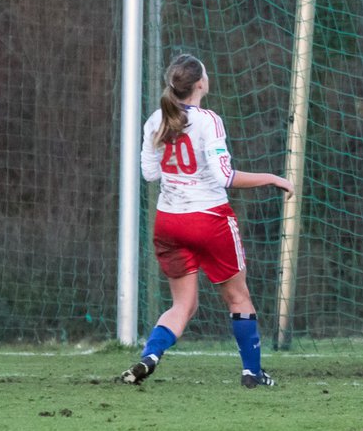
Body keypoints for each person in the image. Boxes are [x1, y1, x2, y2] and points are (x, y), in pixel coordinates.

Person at [120, 53, 293, 388]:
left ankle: (150, 356)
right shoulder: (208, 120)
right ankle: (252, 374)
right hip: (208, 219)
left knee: (183, 304)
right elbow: (225, 176)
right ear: (200, 83)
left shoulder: (156, 119)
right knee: (238, 297)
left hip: (169, 222)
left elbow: (149, 173)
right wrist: (272, 178)